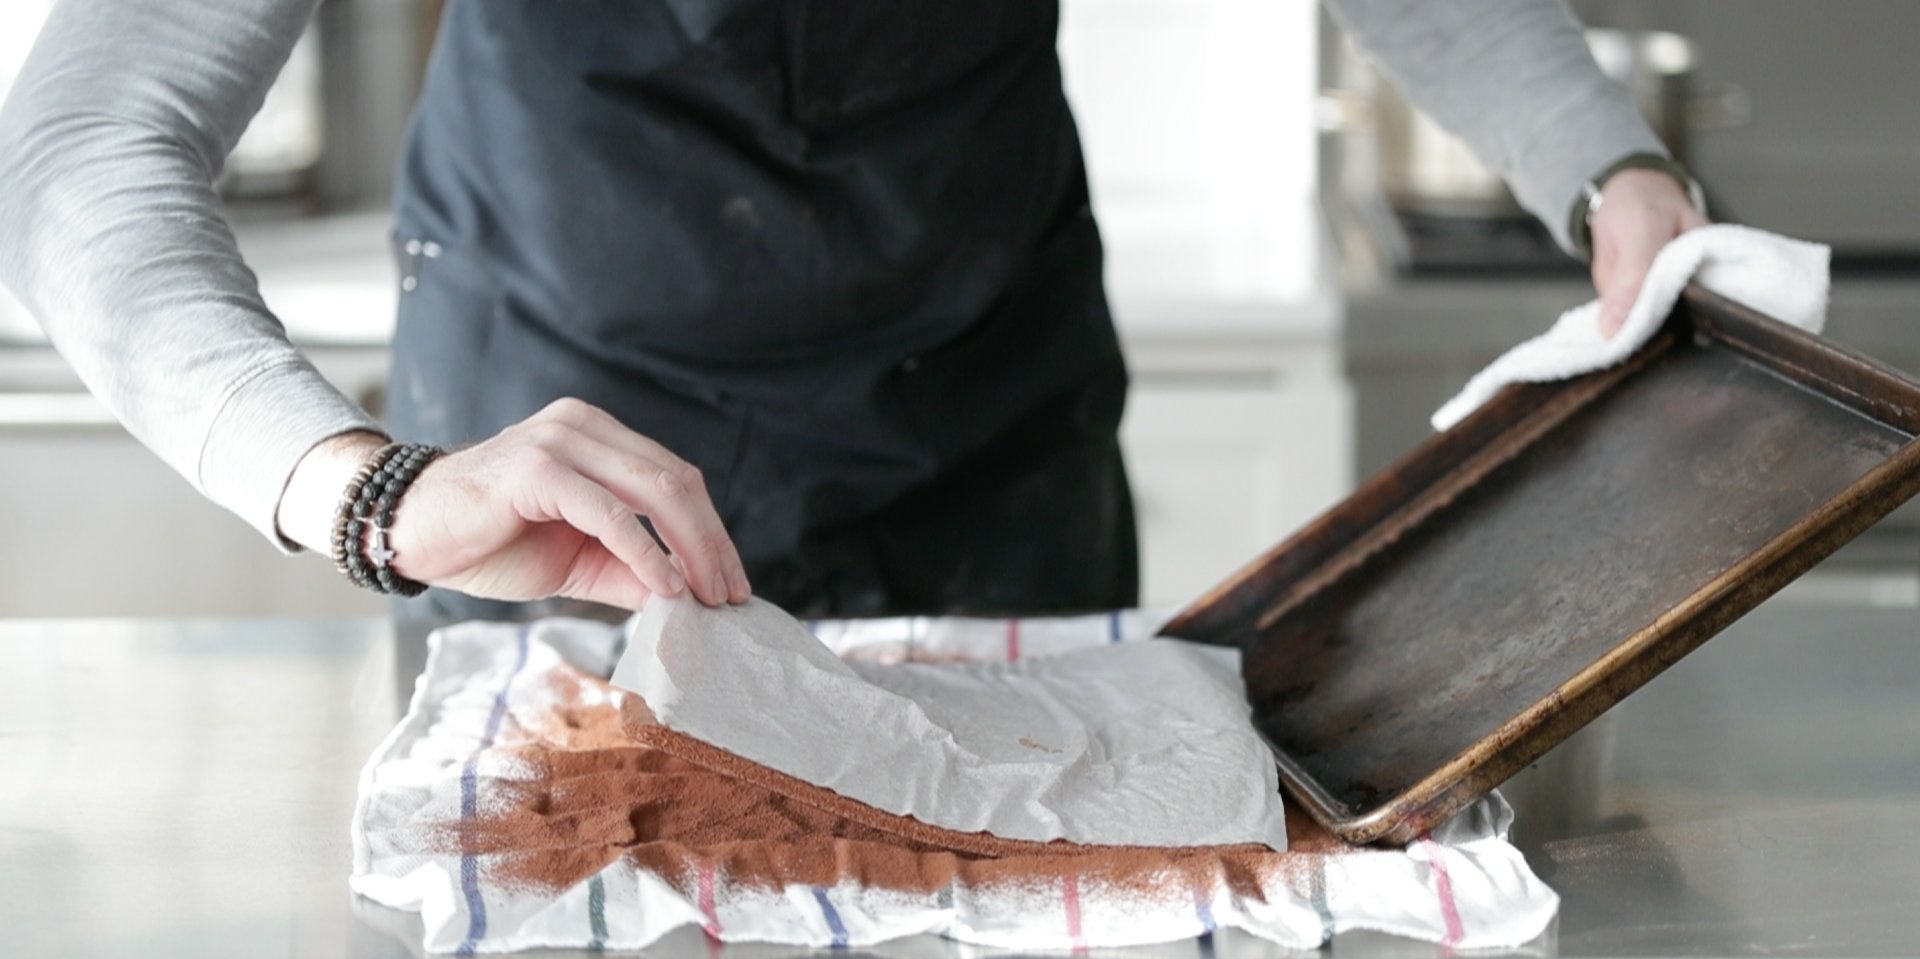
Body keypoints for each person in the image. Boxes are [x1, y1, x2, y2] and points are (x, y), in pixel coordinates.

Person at [0, 0, 1705, 626]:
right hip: (555, 478)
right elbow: (84, 149)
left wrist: (1601, 166)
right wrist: (362, 487)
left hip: (987, 431)